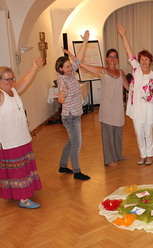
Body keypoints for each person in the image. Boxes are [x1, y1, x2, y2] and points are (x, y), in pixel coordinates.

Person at [0, 57, 44, 208]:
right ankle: (23, 199)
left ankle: (17, 193)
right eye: (6, 79)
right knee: (18, 170)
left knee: (24, 167)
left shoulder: (14, 90)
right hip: (10, 141)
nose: (10, 81)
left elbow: (26, 80)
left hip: (22, 137)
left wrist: (34, 66)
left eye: (12, 78)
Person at [117, 24, 153, 166]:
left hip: (148, 109)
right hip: (136, 108)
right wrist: (123, 35)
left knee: (148, 133)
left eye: (146, 59)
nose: (143, 61)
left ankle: (149, 156)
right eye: (141, 59)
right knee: (138, 134)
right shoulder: (136, 70)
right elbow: (129, 53)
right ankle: (142, 155)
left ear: (150, 61)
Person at [79, 49, 129, 167]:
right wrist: (84, 42)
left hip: (118, 107)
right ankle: (109, 159)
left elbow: (128, 87)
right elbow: (83, 65)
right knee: (108, 135)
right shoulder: (102, 71)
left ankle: (118, 155)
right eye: (110, 57)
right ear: (107, 59)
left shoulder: (121, 72)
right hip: (107, 107)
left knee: (118, 134)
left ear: (117, 59)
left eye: (115, 57)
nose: (112, 59)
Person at [55, 30, 90, 180]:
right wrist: (61, 97)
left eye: (70, 65)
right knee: (77, 143)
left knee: (71, 141)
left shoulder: (70, 74)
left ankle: (63, 166)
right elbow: (62, 91)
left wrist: (85, 42)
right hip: (70, 117)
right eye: (67, 67)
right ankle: (77, 171)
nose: (71, 68)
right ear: (61, 69)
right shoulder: (63, 79)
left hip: (75, 114)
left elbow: (79, 59)